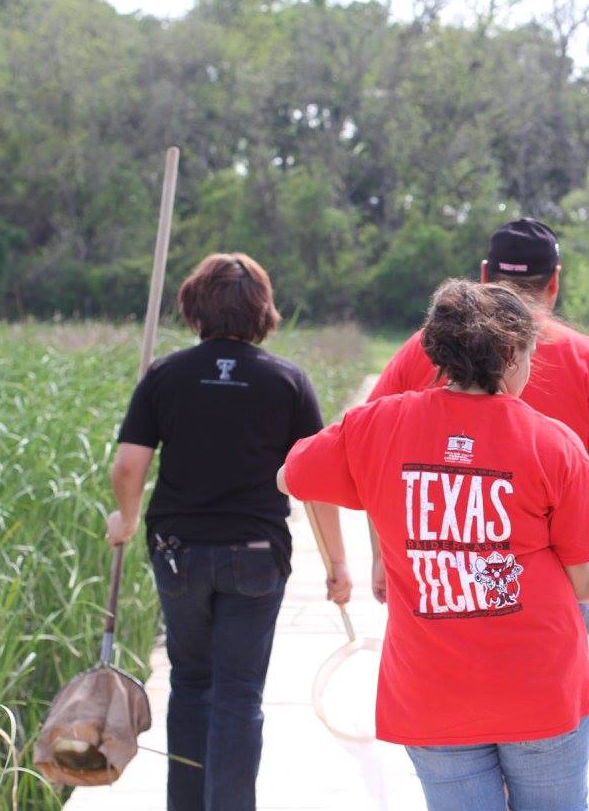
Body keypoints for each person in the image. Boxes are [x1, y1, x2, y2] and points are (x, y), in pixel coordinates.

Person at [279, 279, 589, 811]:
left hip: (432, 693)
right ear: (509, 355)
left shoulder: (377, 425)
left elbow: (289, 476)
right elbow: (585, 579)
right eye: (530, 354)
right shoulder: (552, 441)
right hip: (540, 687)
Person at [105, 252, 351, 811]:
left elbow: (127, 467)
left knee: (191, 684)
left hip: (178, 553)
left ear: (193, 308)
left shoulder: (165, 375)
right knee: (239, 695)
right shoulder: (287, 381)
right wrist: (337, 564)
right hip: (257, 556)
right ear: (263, 312)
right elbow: (315, 481)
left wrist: (126, 517)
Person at [366, 218, 589, 637]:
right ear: (554, 282)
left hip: (442, 576)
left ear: (485, 276)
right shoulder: (588, 359)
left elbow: (377, 459)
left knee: (446, 690)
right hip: (561, 580)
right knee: (554, 692)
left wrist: (382, 555)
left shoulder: (427, 347)